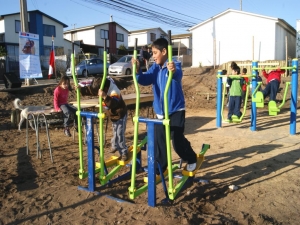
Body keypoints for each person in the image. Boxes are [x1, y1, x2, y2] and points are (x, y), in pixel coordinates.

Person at [132, 38, 197, 172]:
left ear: (164, 51)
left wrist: (172, 70)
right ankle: (160, 166)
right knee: (159, 140)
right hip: (161, 111)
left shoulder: (174, 64)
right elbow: (144, 80)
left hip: (175, 109)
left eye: (155, 53)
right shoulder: (155, 68)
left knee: (177, 140)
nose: (153, 56)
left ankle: (191, 157)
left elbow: (177, 75)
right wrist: (138, 70)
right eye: (152, 53)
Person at [76, 77, 128, 161]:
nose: (97, 94)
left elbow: (113, 104)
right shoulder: (102, 87)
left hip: (120, 115)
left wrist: (104, 96)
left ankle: (124, 152)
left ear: (105, 89)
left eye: (99, 92)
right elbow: (91, 90)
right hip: (113, 115)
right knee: (116, 131)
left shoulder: (114, 91)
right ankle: (114, 145)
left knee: (119, 134)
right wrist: (81, 89)